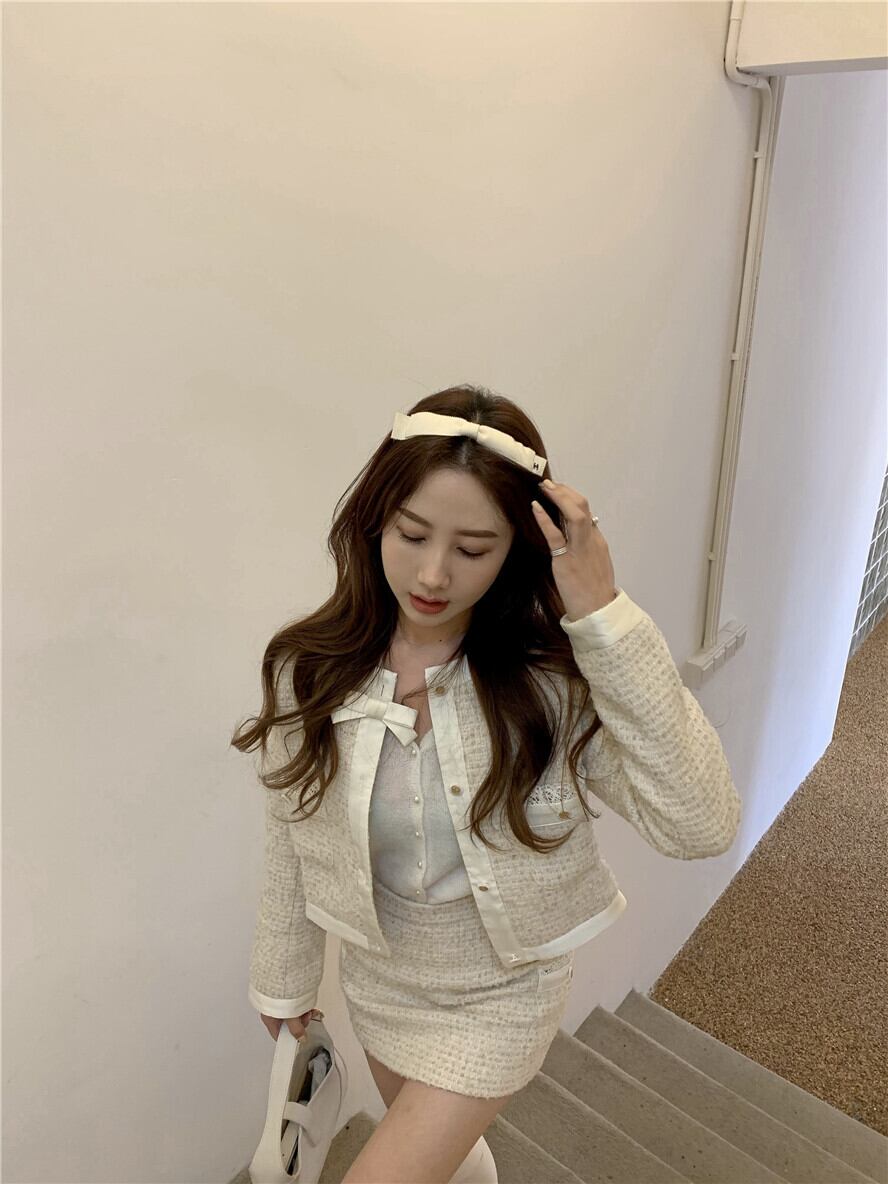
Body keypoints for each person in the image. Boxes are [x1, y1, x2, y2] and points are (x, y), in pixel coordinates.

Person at [232, 383, 741, 1183]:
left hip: (503, 994)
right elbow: (290, 826)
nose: (433, 573)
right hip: (382, 979)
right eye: (412, 535)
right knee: (446, 1157)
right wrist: (284, 977)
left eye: (473, 549)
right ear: (374, 520)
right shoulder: (314, 667)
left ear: (514, 552)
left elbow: (701, 823)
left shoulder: (549, 686)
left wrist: (605, 616)